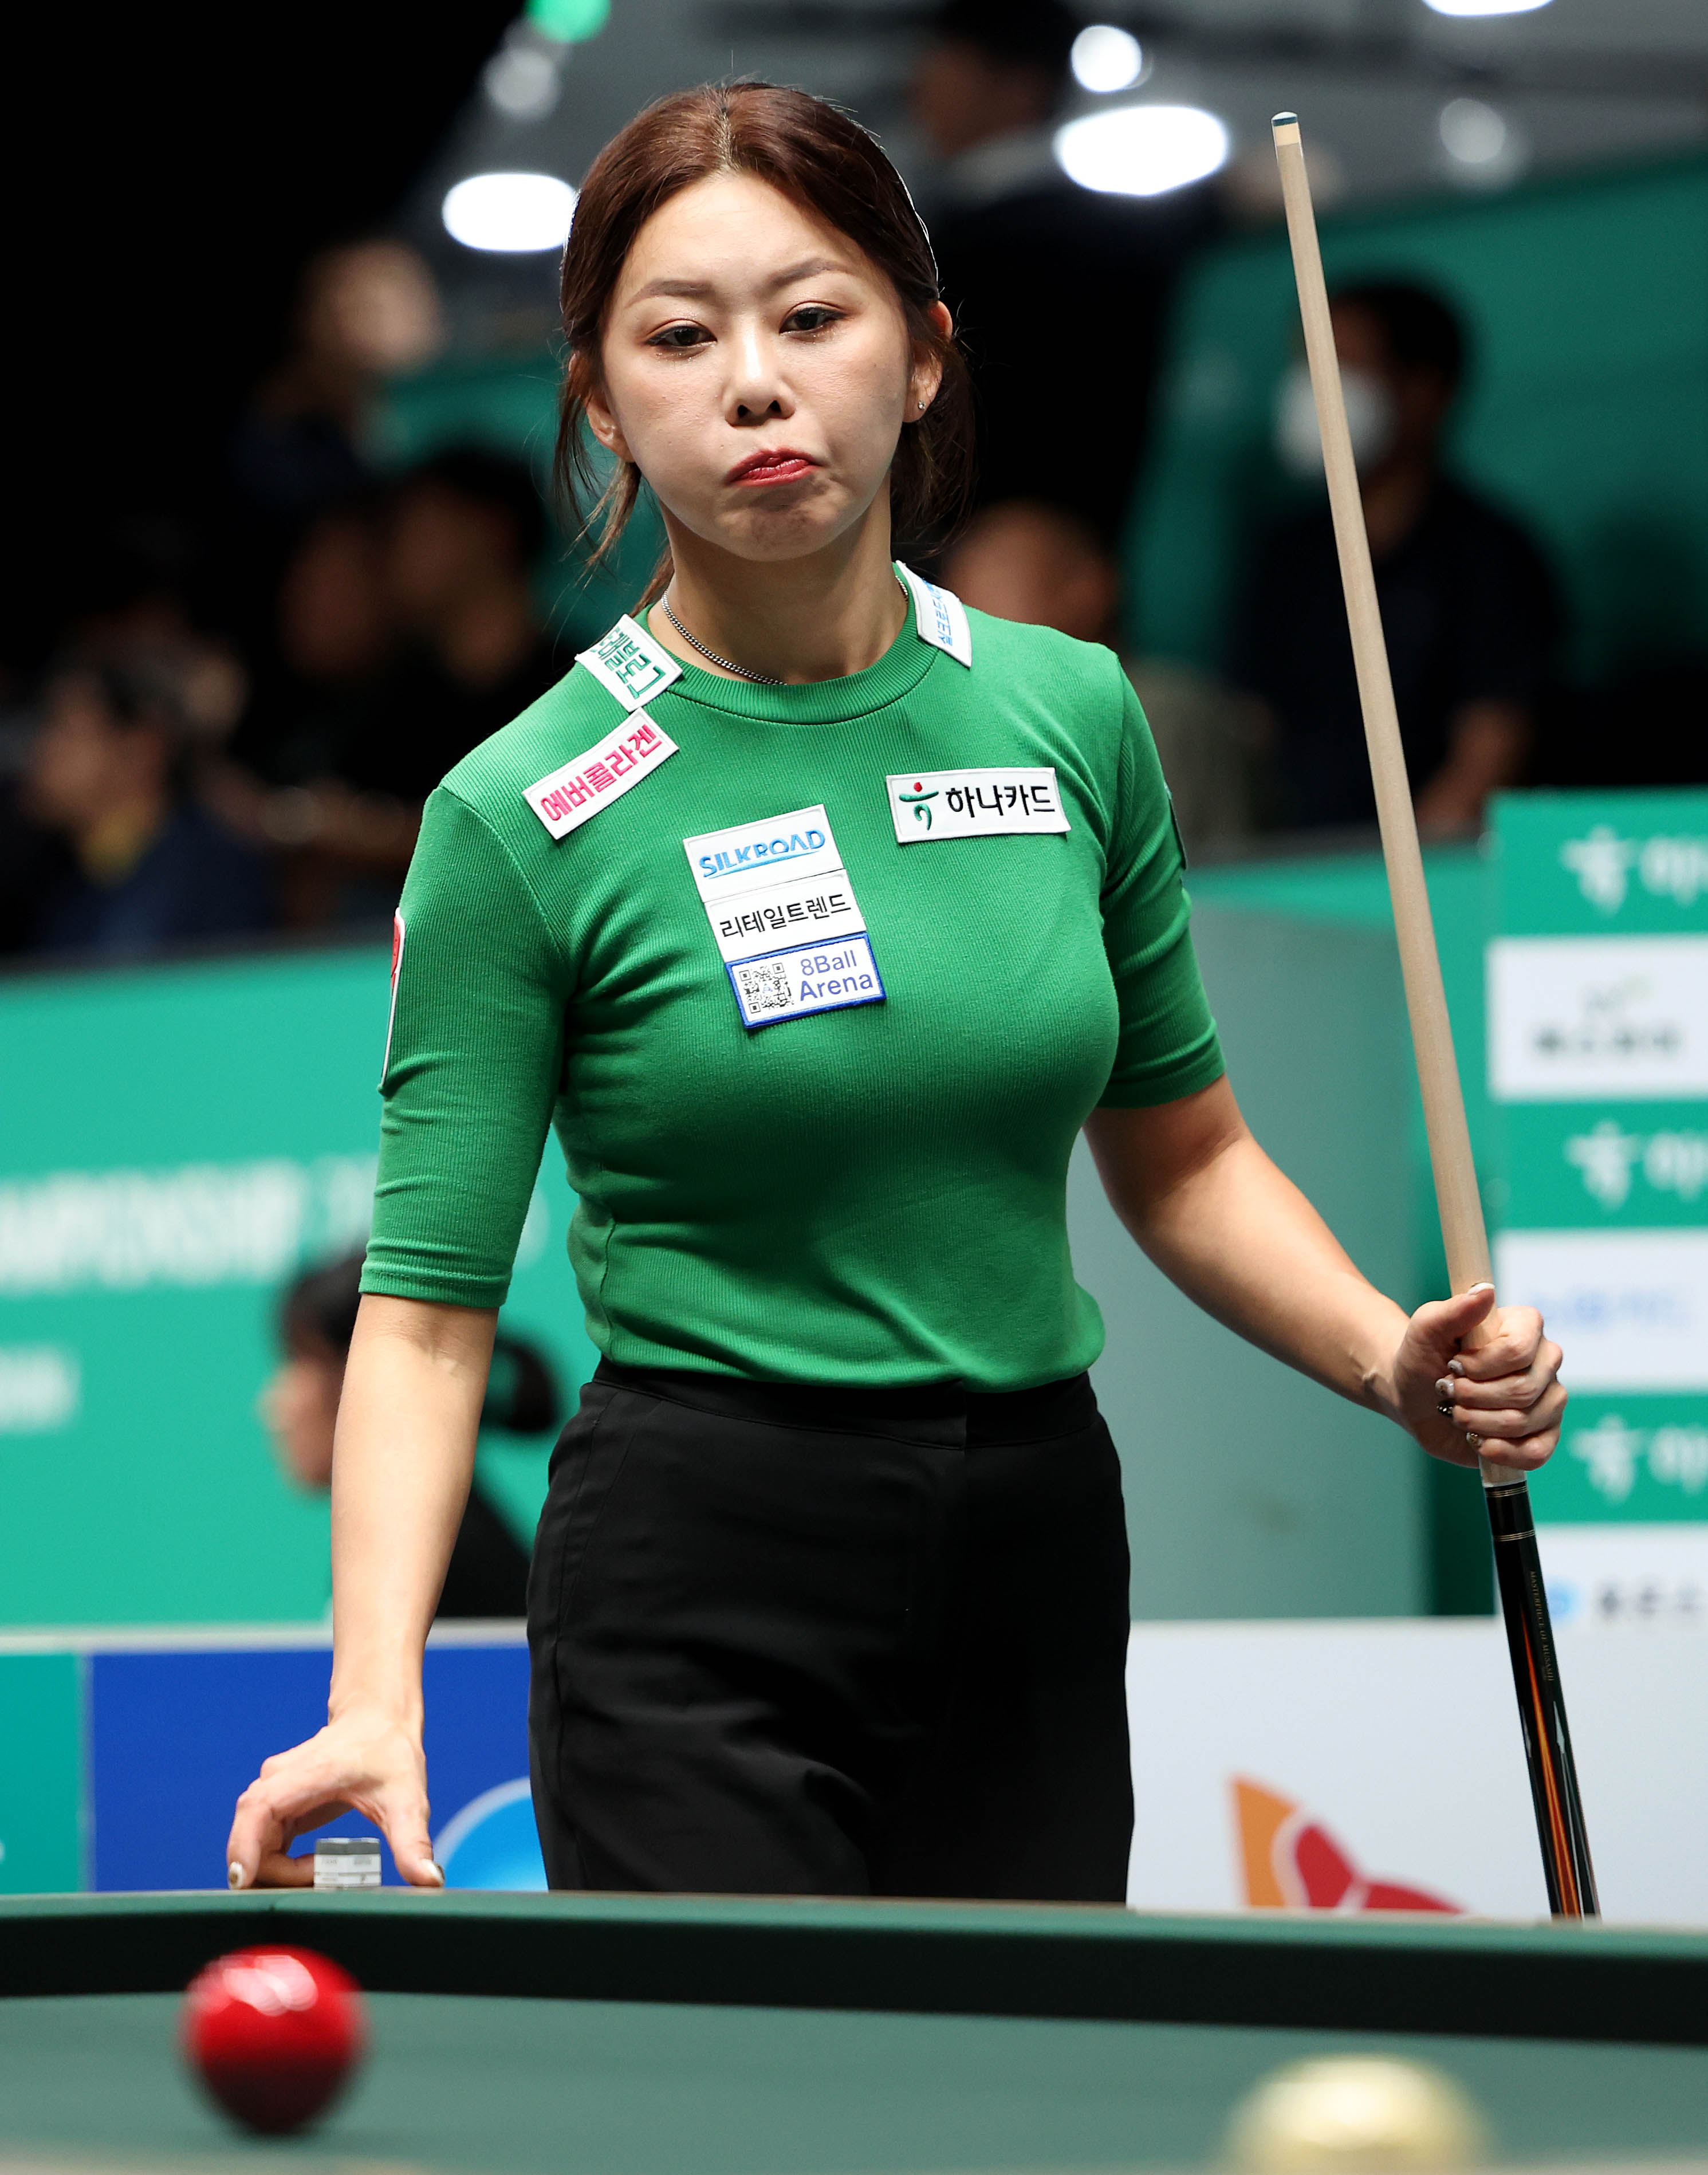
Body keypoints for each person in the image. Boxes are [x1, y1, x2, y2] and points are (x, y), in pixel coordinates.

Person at [227, 82, 1565, 1902]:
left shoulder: (1069, 712)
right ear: (601, 402)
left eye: (811, 315)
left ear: (922, 355)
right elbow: (428, 1311)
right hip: (698, 1567)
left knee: (1017, 2063)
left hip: (1034, 1545)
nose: (754, 384)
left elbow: (1184, 1155)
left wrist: (1382, 1355)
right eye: (678, 337)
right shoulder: (513, 810)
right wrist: (371, 1694)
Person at [1235, 280, 1561, 835]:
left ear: (1425, 391)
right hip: (1289, 864)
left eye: (1346, 366)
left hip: (1431, 870)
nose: (1315, 391)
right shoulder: (1282, 556)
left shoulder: (1492, 556)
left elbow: (1488, 756)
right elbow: (1251, 733)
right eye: (1307, 366)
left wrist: (1389, 874)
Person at [909, 0, 1220, 546]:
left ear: (1020, 87)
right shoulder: (1118, 238)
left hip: (1009, 543)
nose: (920, 89)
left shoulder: (1021, 244)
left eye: (944, 65)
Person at [264, 1254, 554, 1620]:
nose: (275, 1404)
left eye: (300, 1362)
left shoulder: (420, 1560)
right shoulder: (412, 1546)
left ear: (369, 1378)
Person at [23, 649, 272, 957]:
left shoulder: (213, 878)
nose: (43, 752)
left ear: (143, 747)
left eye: (67, 732)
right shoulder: (61, 883)